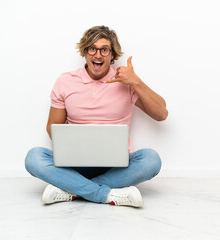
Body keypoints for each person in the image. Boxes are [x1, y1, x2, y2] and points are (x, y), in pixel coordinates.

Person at [25, 25, 168, 208]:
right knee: (34, 157)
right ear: (85, 52)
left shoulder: (126, 81)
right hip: (75, 163)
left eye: (104, 50)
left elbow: (161, 113)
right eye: (92, 48)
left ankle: (70, 189)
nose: (98, 55)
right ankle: (105, 193)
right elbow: (53, 126)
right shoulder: (65, 81)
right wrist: (73, 147)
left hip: (117, 165)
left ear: (112, 55)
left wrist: (136, 82)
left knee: (151, 160)